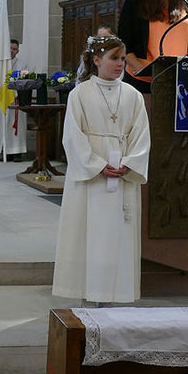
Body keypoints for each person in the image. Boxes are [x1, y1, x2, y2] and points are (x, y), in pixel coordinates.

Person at [52, 35, 150, 304]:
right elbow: (72, 135)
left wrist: (129, 163)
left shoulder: (133, 95)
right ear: (96, 61)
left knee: (118, 236)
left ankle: (117, 295)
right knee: (90, 235)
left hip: (122, 175)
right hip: (91, 179)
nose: (121, 64)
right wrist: (96, 165)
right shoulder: (79, 94)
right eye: (114, 58)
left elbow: (142, 135)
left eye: (122, 58)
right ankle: (88, 294)